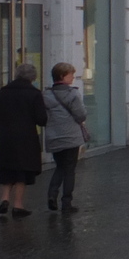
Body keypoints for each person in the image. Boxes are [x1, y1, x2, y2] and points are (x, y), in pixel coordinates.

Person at [0, 63, 48, 218]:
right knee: (23, 172)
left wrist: (0, 131)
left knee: (7, 169)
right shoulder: (34, 94)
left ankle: (4, 198)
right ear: (32, 77)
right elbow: (41, 119)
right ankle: (18, 205)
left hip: (5, 138)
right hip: (26, 138)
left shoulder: (4, 92)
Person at [42, 62, 87, 213]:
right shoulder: (72, 94)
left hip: (54, 136)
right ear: (62, 76)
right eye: (71, 75)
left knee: (60, 167)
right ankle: (66, 203)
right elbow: (81, 114)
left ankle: (51, 194)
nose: (73, 77)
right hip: (71, 137)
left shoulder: (46, 95)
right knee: (69, 170)